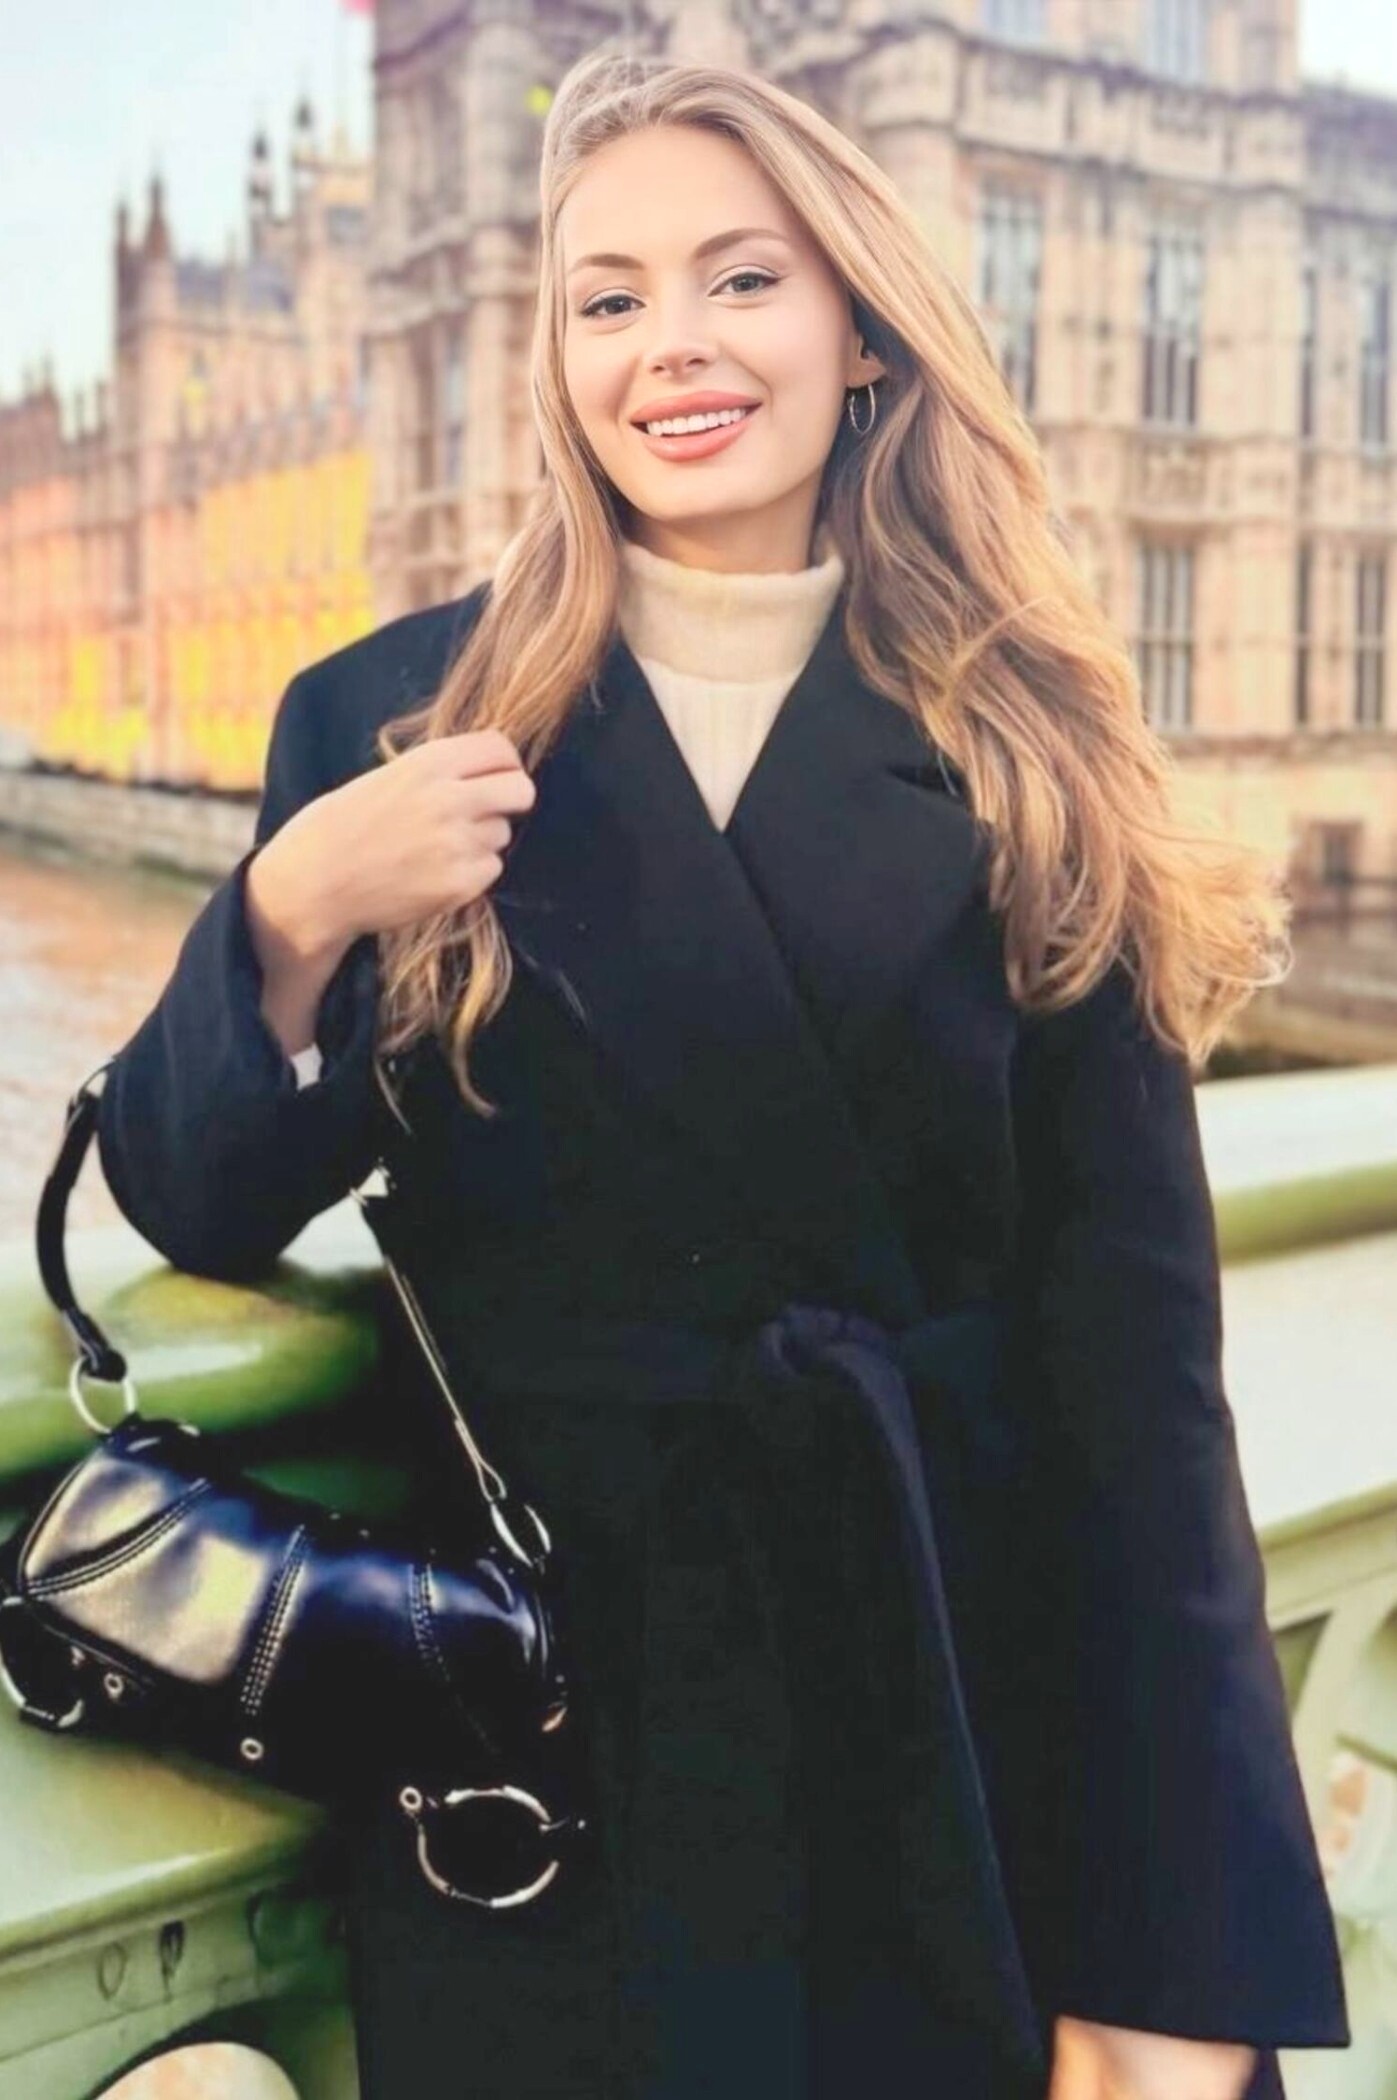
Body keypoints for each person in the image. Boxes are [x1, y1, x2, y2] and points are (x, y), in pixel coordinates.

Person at [95, 50, 1349, 2100]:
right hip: (556, 1767)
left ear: (864, 332)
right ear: (554, 358)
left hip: (961, 1741)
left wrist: (1180, 1972)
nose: (668, 343)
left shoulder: (1035, 738)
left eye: (741, 279)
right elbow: (195, 1199)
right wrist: (289, 914)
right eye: (607, 298)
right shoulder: (392, 717)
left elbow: (1143, 1407)